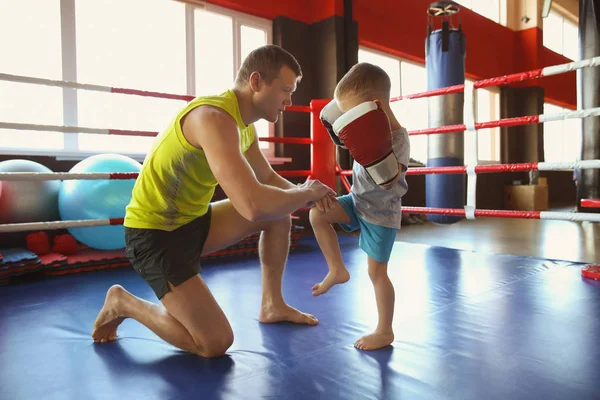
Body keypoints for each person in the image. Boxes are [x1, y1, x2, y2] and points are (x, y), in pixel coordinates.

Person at [91, 45, 336, 358]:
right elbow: (252, 204)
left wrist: (317, 198)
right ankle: (123, 303)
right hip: (154, 235)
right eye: (285, 90)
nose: (290, 100)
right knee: (213, 343)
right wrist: (305, 193)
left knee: (279, 215)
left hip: (193, 222)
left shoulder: (243, 127)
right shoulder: (213, 118)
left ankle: (272, 304)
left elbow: (268, 179)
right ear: (257, 81)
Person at [309, 62, 410, 351]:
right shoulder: (363, 130)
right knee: (317, 214)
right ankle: (337, 269)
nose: (350, 120)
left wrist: (372, 153)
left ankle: (385, 330)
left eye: (354, 114)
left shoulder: (399, 138)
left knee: (377, 274)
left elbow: (389, 179)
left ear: (375, 106)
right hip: (357, 201)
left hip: (381, 215)